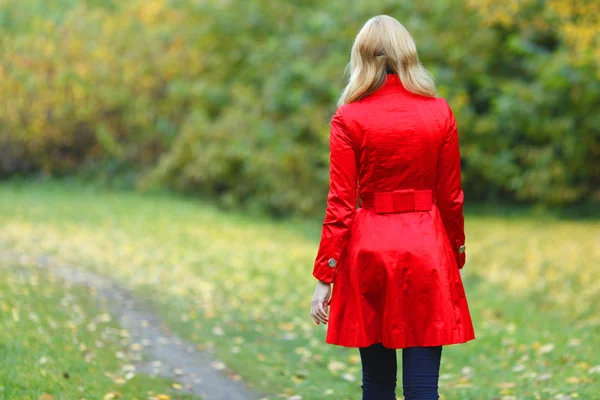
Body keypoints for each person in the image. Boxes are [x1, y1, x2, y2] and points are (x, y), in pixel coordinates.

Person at [309, 15, 476, 400]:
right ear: (407, 55)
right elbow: (451, 196)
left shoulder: (348, 117)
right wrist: (455, 253)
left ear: (361, 59)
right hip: (427, 248)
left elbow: (340, 204)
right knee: (422, 387)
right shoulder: (439, 111)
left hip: (370, 250)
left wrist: (325, 275)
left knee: (378, 384)